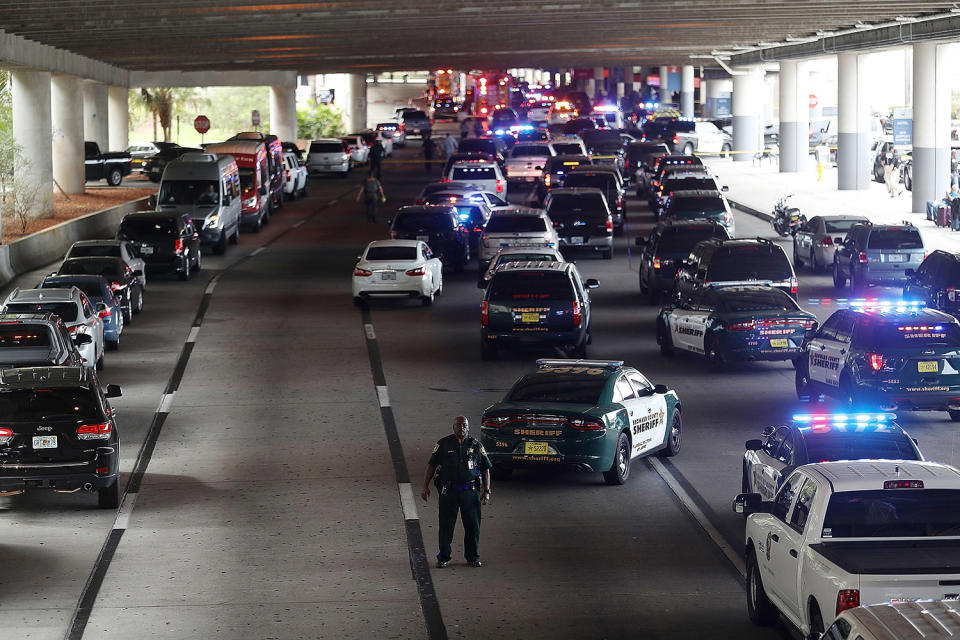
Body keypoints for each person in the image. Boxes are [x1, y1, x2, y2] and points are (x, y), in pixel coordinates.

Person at [421, 416, 491, 568]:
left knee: (473, 526)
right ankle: (444, 557)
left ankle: (472, 557)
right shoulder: (443, 444)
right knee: (446, 525)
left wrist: (486, 490)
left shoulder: (476, 445)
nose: (462, 428)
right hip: (449, 492)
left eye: (464, 425)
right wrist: (425, 486)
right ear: (453, 427)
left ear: (468, 427)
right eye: (458, 425)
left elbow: (485, 469)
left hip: (470, 492)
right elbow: (431, 466)